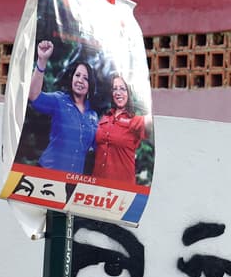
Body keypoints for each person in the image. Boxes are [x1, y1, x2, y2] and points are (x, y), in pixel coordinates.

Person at [27, 40, 98, 174]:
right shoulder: (59, 100)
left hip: (72, 181)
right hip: (47, 173)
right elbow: (33, 96)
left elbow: (100, 147)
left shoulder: (93, 116)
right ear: (71, 79)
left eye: (86, 78)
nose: (80, 80)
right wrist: (42, 61)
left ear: (91, 85)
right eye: (77, 75)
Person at [93, 74, 152, 184]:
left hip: (122, 189)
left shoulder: (135, 120)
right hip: (97, 186)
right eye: (115, 89)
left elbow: (154, 118)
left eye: (122, 89)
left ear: (129, 93)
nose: (118, 92)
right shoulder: (104, 118)